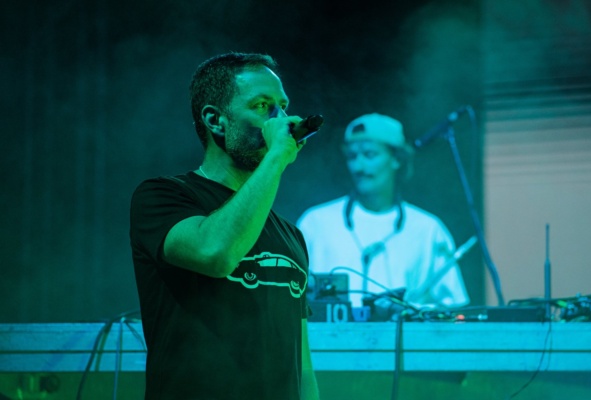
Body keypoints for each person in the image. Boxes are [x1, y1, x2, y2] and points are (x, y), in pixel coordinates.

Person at [130, 52, 319, 400]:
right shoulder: (163, 196)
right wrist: (277, 156)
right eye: (263, 106)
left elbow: (302, 365)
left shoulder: (291, 236)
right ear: (216, 120)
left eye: (283, 106)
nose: (282, 120)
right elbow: (215, 254)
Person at [297, 113, 470, 311]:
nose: (358, 167)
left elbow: (453, 311)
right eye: (352, 156)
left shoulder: (428, 230)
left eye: (369, 154)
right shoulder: (315, 223)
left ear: (396, 159)